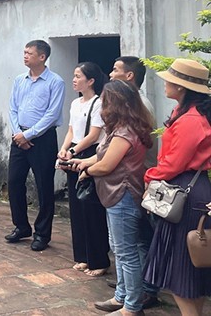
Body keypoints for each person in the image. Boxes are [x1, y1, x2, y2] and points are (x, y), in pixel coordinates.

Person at [72, 80, 154, 316]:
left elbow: (107, 165)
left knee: (125, 251)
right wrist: (84, 162)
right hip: (118, 195)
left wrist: (86, 171)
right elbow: (103, 158)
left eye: (105, 101)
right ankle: (123, 295)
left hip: (123, 195)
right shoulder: (123, 128)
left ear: (114, 103)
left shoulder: (125, 132)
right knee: (126, 248)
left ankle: (132, 305)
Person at [143, 59, 211, 316]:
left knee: (181, 271)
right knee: (192, 269)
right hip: (192, 189)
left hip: (184, 192)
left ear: (181, 87)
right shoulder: (186, 114)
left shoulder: (190, 120)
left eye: (169, 79)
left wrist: (149, 176)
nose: (165, 83)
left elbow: (173, 163)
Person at [109, 55, 161, 309]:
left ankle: (140, 294)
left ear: (129, 76)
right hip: (136, 179)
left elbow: (115, 159)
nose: (111, 74)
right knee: (133, 242)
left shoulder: (139, 107)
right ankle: (133, 290)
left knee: (132, 244)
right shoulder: (133, 108)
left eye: (116, 70)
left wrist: (89, 167)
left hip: (136, 180)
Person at [6, 40, 65, 251]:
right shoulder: (19, 80)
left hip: (43, 139)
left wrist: (29, 134)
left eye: (29, 53)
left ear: (42, 57)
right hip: (18, 137)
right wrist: (18, 134)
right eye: (24, 52)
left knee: (44, 186)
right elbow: (13, 108)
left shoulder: (55, 82)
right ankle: (21, 226)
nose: (25, 56)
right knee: (14, 182)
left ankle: (42, 233)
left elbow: (52, 114)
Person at [56, 62, 110, 277]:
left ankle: (99, 259)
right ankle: (82, 256)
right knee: (76, 208)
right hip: (74, 153)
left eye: (78, 76)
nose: (74, 79)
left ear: (91, 81)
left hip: (89, 154)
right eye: (74, 75)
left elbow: (94, 134)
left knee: (92, 208)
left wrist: (74, 151)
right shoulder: (75, 103)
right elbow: (71, 130)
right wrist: (64, 149)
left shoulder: (98, 103)